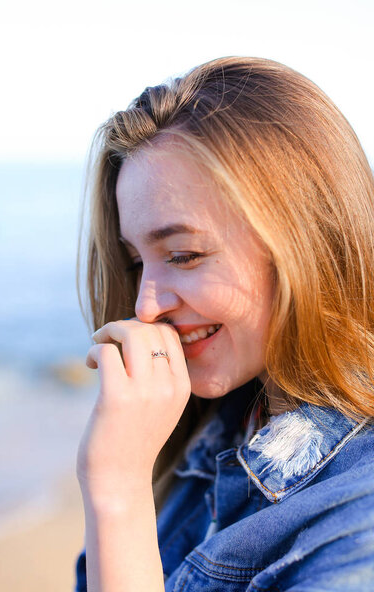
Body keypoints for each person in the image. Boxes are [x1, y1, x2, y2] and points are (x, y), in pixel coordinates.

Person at [74, 57, 374, 591]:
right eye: (137, 262)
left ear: (305, 240)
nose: (145, 307)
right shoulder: (205, 437)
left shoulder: (359, 526)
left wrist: (117, 492)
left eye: (184, 255)